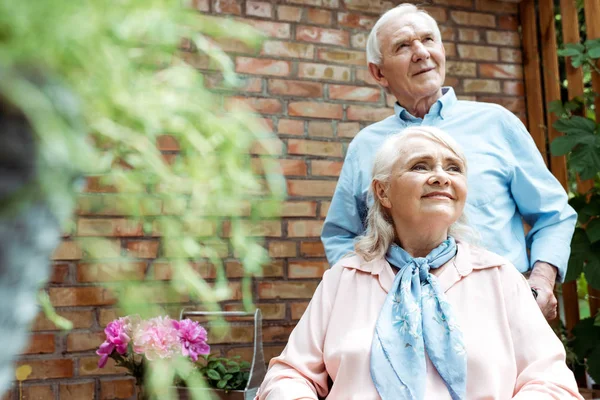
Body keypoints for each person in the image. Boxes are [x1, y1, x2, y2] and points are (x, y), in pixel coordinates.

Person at [257, 127, 582, 400]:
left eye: (453, 168)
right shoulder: (344, 279)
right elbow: (288, 376)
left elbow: (552, 383)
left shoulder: (500, 277)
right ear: (383, 192)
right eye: (421, 166)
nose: (441, 177)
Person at [321, 4, 577, 321]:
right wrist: (369, 295)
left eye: (429, 40)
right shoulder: (365, 147)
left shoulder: (496, 123)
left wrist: (541, 279)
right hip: (404, 322)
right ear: (379, 72)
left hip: (503, 311)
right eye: (402, 45)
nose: (420, 52)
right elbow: (341, 236)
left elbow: (553, 213)